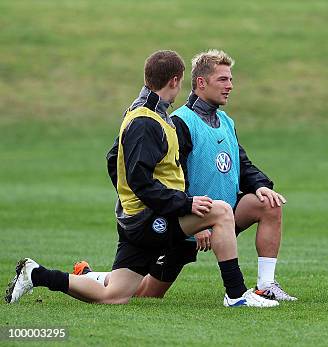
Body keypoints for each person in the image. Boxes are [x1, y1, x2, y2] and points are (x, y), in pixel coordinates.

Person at [5, 50, 278, 307]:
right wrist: (181, 204)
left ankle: (36, 274)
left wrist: (133, 202)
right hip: (149, 218)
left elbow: (115, 160)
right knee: (219, 211)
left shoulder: (154, 114)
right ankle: (236, 295)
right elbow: (140, 181)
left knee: (114, 295)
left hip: (147, 215)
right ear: (175, 80)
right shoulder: (146, 120)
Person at [73, 49, 296, 301]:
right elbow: (152, 170)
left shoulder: (225, 121)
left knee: (268, 204)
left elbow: (241, 165)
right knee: (148, 293)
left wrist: (261, 185)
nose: (230, 86)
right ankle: (92, 276)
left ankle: (264, 286)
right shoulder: (178, 122)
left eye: (231, 79)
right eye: (223, 79)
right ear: (201, 82)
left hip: (220, 214)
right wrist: (192, 217)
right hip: (186, 218)